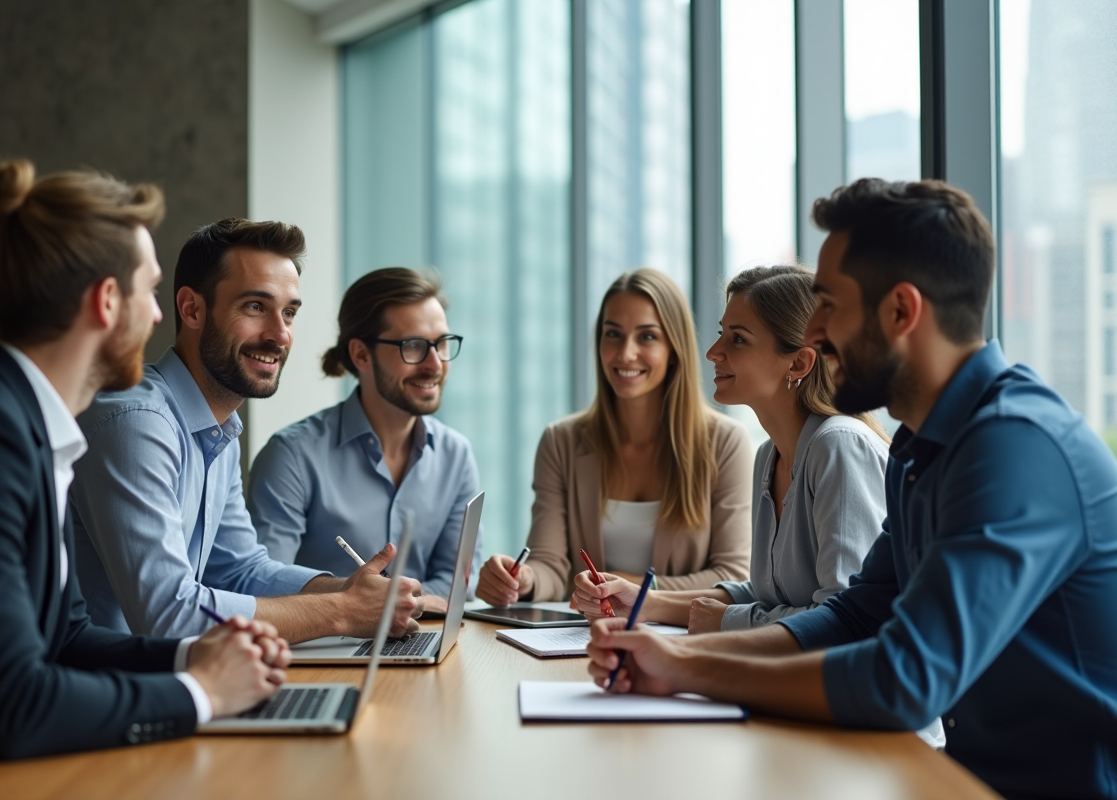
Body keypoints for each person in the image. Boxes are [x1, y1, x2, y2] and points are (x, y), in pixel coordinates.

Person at [584, 179, 1117, 800]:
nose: (812, 333)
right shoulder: (920, 448)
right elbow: (857, 613)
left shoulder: (1014, 448)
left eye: (829, 305)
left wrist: (688, 668)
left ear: (901, 311)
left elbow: (905, 676)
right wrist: (676, 661)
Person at [0, 160, 291, 798]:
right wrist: (199, 692)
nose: (155, 317)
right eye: (149, 292)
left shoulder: (28, 427)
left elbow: (64, 637)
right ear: (106, 302)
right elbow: (12, 706)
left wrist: (197, 657)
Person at [69, 219, 423, 642]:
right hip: (105, 697)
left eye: (289, 312)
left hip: (168, 684)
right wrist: (342, 612)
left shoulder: (217, 428)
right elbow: (168, 615)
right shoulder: (137, 422)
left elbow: (239, 570)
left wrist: (352, 590)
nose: (280, 335)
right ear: (192, 309)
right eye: (255, 306)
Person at [573, 266, 889, 633]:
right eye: (722, 333)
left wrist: (726, 621)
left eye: (737, 339)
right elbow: (767, 595)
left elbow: (845, 621)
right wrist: (643, 602)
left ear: (799, 362)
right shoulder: (769, 456)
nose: (711, 352)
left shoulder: (839, 445)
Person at [476, 268, 753, 606]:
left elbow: (733, 576)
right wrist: (523, 580)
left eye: (647, 336)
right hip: (584, 639)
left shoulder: (725, 443)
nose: (625, 353)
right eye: (613, 334)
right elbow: (550, 564)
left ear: (674, 346)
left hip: (682, 643)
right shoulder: (560, 442)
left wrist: (628, 589)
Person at [248, 268, 483, 614]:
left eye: (442, 344)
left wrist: (398, 602)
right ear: (361, 355)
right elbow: (263, 582)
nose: (435, 364)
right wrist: (356, 601)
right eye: (414, 346)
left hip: (423, 640)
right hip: (322, 648)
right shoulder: (292, 455)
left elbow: (459, 579)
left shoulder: (456, 455)